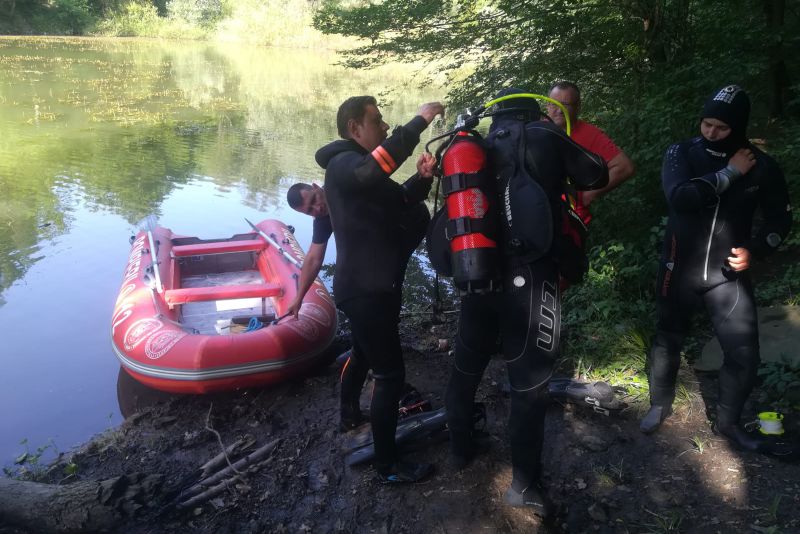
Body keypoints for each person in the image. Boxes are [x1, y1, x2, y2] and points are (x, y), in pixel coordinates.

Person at [443, 88, 608, 516]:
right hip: (531, 278)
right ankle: (524, 486)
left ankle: (460, 449)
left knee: (466, 367)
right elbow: (596, 174)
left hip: (477, 272)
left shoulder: (473, 146)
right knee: (529, 385)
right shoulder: (544, 134)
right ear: (532, 111)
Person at [640, 85, 792, 455]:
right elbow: (681, 198)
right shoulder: (682, 153)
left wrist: (755, 250)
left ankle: (728, 423)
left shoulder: (762, 166)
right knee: (668, 337)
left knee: (744, 353)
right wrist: (730, 173)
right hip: (679, 267)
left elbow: (779, 220)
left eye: (722, 127)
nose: (711, 132)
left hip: (727, 275)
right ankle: (659, 404)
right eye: (706, 123)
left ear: (738, 128)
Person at [315, 95, 443, 483]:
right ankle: (388, 466)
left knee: (363, 353)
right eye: (378, 121)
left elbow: (401, 200)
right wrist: (420, 120)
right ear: (354, 128)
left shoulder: (361, 174)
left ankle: (349, 416)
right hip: (367, 289)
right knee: (389, 375)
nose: (385, 127)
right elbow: (375, 168)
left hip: (369, 286)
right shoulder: (344, 166)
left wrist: (422, 178)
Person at [285, 181, 430, 433]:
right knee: (366, 351)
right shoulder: (323, 218)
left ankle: (351, 415)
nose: (317, 208)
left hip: (401, 235)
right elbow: (314, 258)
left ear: (316, 186)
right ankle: (353, 415)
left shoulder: (345, 185)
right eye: (309, 211)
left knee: (367, 345)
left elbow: (393, 190)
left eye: (314, 200)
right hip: (367, 280)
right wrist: (298, 298)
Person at [547, 81, 635, 225]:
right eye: (554, 104)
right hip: (540, 213)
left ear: (578, 107)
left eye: (566, 105)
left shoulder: (590, 134)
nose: (559, 110)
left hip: (571, 219)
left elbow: (625, 167)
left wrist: (588, 195)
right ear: (547, 105)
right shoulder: (537, 129)